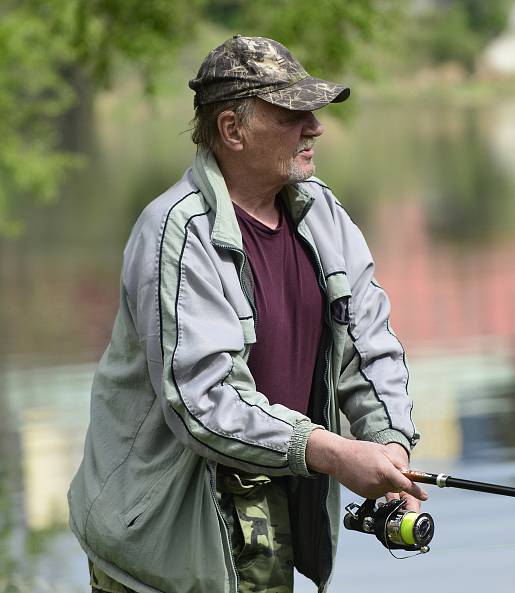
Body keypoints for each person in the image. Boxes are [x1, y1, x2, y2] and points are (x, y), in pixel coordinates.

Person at [68, 35, 425, 593]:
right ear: (233, 130)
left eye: (313, 111)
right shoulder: (176, 234)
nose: (315, 127)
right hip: (162, 548)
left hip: (271, 508)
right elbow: (205, 403)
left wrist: (390, 448)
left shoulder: (323, 212)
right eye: (292, 114)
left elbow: (369, 343)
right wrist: (333, 453)